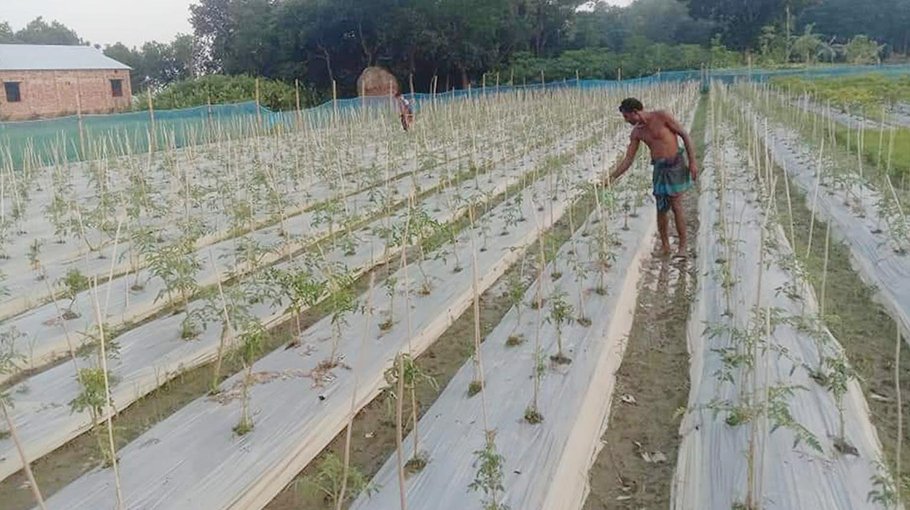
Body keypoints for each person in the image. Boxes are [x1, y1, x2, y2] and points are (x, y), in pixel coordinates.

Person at [606, 97, 698, 257]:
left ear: (635, 112)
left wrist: (692, 162)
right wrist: (611, 178)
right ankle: (665, 246)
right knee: (661, 208)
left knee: (676, 205)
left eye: (627, 117)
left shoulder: (662, 117)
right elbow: (628, 159)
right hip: (659, 169)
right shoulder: (637, 133)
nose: (626, 121)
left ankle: (683, 246)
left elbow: (684, 135)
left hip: (675, 165)